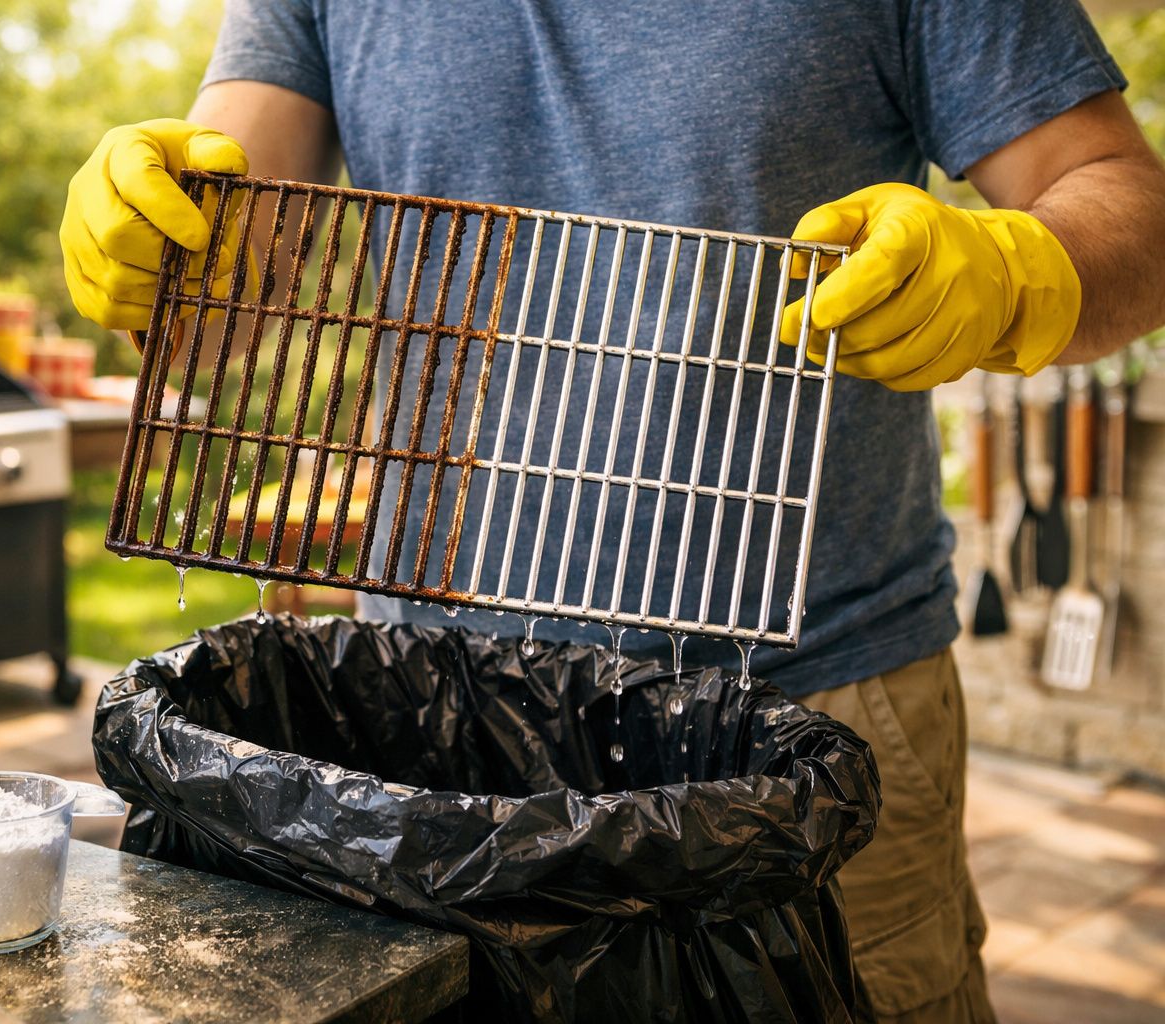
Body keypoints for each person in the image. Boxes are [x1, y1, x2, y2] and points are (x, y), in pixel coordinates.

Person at [60, 3, 1165, 1020]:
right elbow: (222, 275)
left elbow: (1129, 204)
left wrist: (1019, 272)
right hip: (420, 743)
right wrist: (158, 243)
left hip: (798, 732)